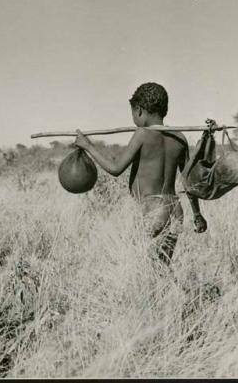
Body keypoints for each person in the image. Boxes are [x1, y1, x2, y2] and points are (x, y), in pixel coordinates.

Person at [74, 82, 207, 264]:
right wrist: (197, 214)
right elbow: (189, 182)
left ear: (139, 110)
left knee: (140, 268)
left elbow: (115, 169)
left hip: (151, 209)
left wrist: (88, 146)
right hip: (175, 209)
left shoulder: (142, 134)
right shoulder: (179, 137)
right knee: (161, 267)